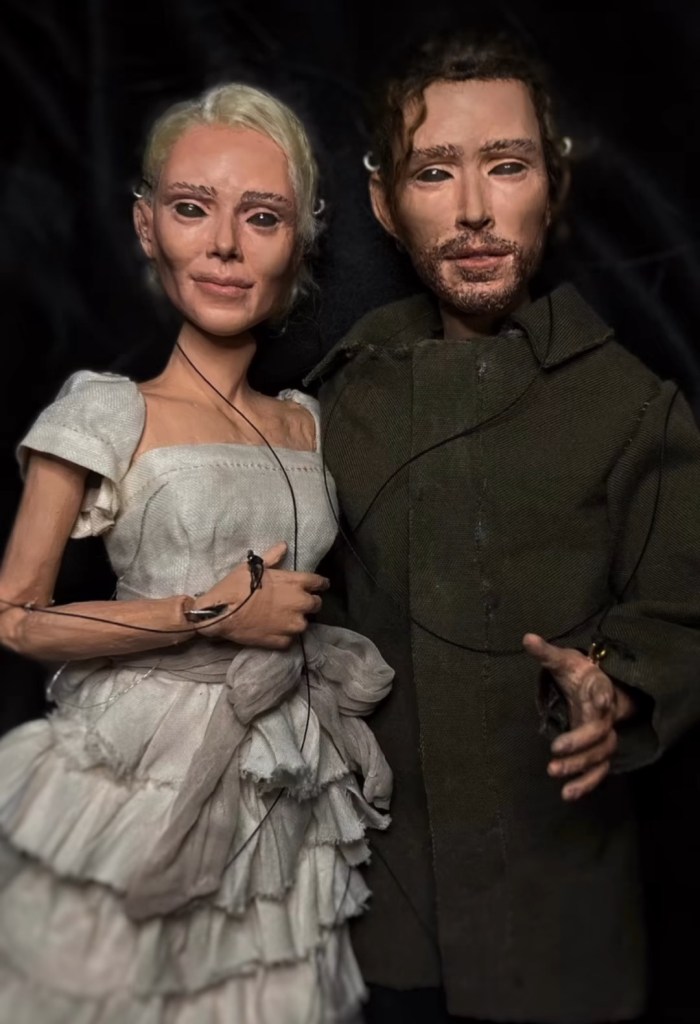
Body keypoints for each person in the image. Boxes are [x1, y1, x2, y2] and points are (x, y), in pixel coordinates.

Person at [304, 30, 700, 1024]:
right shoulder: (337, 402)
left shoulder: (629, 405)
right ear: (383, 203)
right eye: (434, 170)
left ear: (552, 187)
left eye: (507, 165)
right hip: (377, 909)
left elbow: (680, 605)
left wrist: (613, 684)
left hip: (555, 915)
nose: (474, 208)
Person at [0, 82, 394, 1023]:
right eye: (191, 208)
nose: (223, 245)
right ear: (147, 227)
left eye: (261, 217)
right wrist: (208, 612)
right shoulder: (108, 411)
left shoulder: (307, 422)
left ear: (299, 242)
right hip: (142, 761)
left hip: (286, 764)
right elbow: (15, 617)